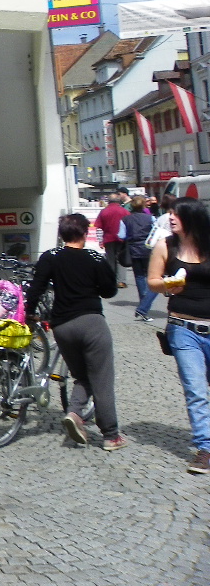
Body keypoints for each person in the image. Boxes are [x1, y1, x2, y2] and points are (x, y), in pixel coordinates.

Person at [25, 215, 127, 451]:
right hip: (91, 323)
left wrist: (29, 313)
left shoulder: (50, 256)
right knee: (101, 380)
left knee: (82, 376)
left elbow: (35, 288)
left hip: (62, 327)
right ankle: (111, 435)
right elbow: (110, 290)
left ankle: (74, 413)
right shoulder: (94, 257)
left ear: (61, 234)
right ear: (84, 233)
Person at [148, 197, 210, 474]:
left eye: (177, 213)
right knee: (196, 390)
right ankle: (205, 449)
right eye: (169, 213)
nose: (170, 217)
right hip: (183, 328)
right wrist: (167, 285)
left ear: (192, 217)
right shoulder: (166, 245)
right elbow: (152, 281)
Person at [121, 195, 157, 322]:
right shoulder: (150, 218)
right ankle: (144, 306)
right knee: (152, 276)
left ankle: (143, 301)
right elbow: (155, 232)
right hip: (148, 248)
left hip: (134, 249)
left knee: (139, 276)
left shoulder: (126, 219)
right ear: (143, 205)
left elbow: (121, 235)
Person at [94, 190, 128, 288]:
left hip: (108, 238)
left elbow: (99, 228)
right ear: (118, 201)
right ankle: (121, 281)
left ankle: (111, 280)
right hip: (121, 239)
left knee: (110, 260)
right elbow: (128, 225)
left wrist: (100, 241)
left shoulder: (104, 211)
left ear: (108, 201)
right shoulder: (124, 211)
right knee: (120, 259)